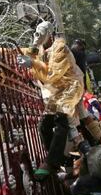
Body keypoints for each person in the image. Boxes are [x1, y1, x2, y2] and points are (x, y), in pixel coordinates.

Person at [17, 21, 84, 179]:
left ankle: (51, 163)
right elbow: (25, 52)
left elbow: (52, 75)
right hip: (57, 91)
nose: (37, 35)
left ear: (50, 34)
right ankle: (61, 159)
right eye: (36, 32)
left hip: (71, 87)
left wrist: (32, 62)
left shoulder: (60, 47)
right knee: (44, 126)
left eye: (41, 32)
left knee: (61, 120)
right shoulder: (41, 49)